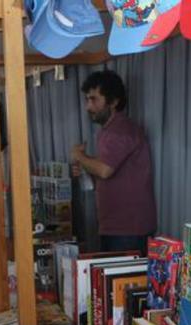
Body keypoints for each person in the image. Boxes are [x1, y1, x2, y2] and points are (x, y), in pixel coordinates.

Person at [71, 70, 157, 255]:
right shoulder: (109, 130)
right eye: (87, 99)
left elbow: (104, 170)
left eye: (94, 99)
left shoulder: (120, 130)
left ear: (114, 101)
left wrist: (79, 157)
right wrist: (86, 167)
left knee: (124, 283)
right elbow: (106, 173)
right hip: (116, 226)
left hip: (128, 229)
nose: (88, 106)